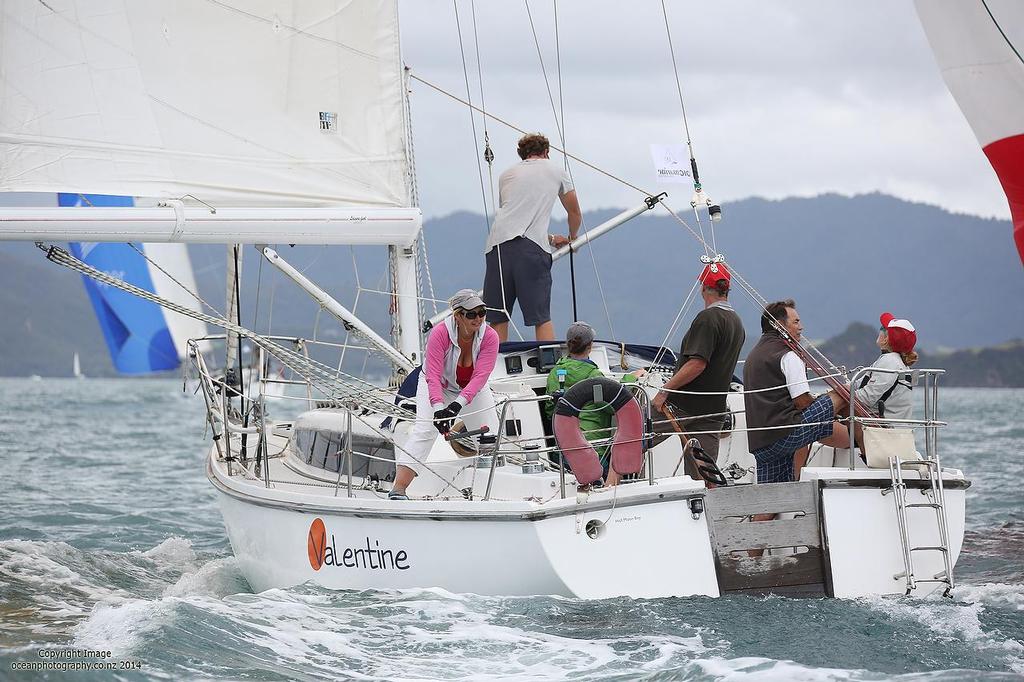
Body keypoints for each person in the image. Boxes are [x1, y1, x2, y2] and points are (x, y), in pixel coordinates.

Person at [390, 289, 499, 500]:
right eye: (471, 314)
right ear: (457, 316)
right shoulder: (440, 333)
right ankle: (398, 489)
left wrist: (456, 406)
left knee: (490, 434)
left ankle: (490, 492)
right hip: (436, 384)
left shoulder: (490, 337)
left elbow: (480, 377)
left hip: (472, 388)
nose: (478, 318)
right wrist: (439, 410)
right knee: (425, 430)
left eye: (482, 312)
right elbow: (432, 375)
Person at [483, 133, 582, 343]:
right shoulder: (556, 170)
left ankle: (495, 366)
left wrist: (552, 237)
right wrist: (573, 238)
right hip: (530, 250)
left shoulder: (507, 174)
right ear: (546, 152)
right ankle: (547, 365)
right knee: (541, 316)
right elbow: (574, 212)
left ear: (522, 155)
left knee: (499, 315)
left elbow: (514, 216)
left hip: (496, 246)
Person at [651, 262, 745, 481]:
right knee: (703, 477)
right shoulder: (737, 323)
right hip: (713, 411)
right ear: (726, 289)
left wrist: (664, 391)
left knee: (634, 440)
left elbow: (697, 364)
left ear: (704, 287)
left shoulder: (708, 318)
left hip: (683, 405)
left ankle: (608, 485)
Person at [743, 299, 851, 485]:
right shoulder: (788, 355)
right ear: (779, 325)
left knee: (771, 500)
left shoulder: (753, 356)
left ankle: (765, 513)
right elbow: (802, 403)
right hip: (786, 435)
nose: (801, 327)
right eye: (796, 322)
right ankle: (863, 444)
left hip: (761, 445)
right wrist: (824, 408)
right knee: (843, 392)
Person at [544, 321, 645, 485]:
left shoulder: (555, 373)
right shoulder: (594, 375)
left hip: (564, 446)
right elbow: (611, 405)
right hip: (594, 446)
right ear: (590, 346)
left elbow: (550, 410)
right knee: (596, 484)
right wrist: (631, 378)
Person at [853, 312, 918, 421]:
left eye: (882, 328)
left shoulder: (890, 361)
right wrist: (842, 389)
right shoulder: (896, 361)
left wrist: (834, 397)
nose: (880, 330)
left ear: (886, 339)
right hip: (896, 425)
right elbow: (858, 385)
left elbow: (866, 398)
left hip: (884, 425)